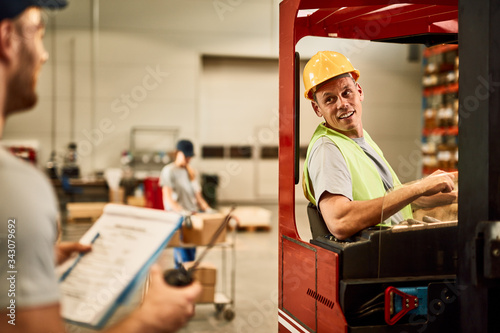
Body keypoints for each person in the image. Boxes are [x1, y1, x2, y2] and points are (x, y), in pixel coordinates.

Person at [0, 2, 201, 333]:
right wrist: (148, 321)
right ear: (7, 39)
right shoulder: (16, 190)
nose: (44, 54)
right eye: (38, 32)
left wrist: (31, 258)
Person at [302, 51, 457, 241]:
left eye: (346, 92)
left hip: (391, 245)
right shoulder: (327, 149)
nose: (342, 104)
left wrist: (442, 194)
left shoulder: (360, 139)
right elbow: (340, 221)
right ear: (318, 109)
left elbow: (385, 198)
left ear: (359, 91)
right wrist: (419, 187)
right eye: (330, 99)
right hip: (375, 258)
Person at [160, 139, 212, 268]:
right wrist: (181, 211)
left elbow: (197, 196)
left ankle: (187, 281)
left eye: (190, 156)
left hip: (192, 217)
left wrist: (208, 209)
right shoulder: (169, 171)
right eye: (186, 155)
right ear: (178, 153)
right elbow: (167, 197)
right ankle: (181, 281)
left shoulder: (190, 172)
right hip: (178, 219)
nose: (188, 159)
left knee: (191, 255)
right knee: (183, 256)